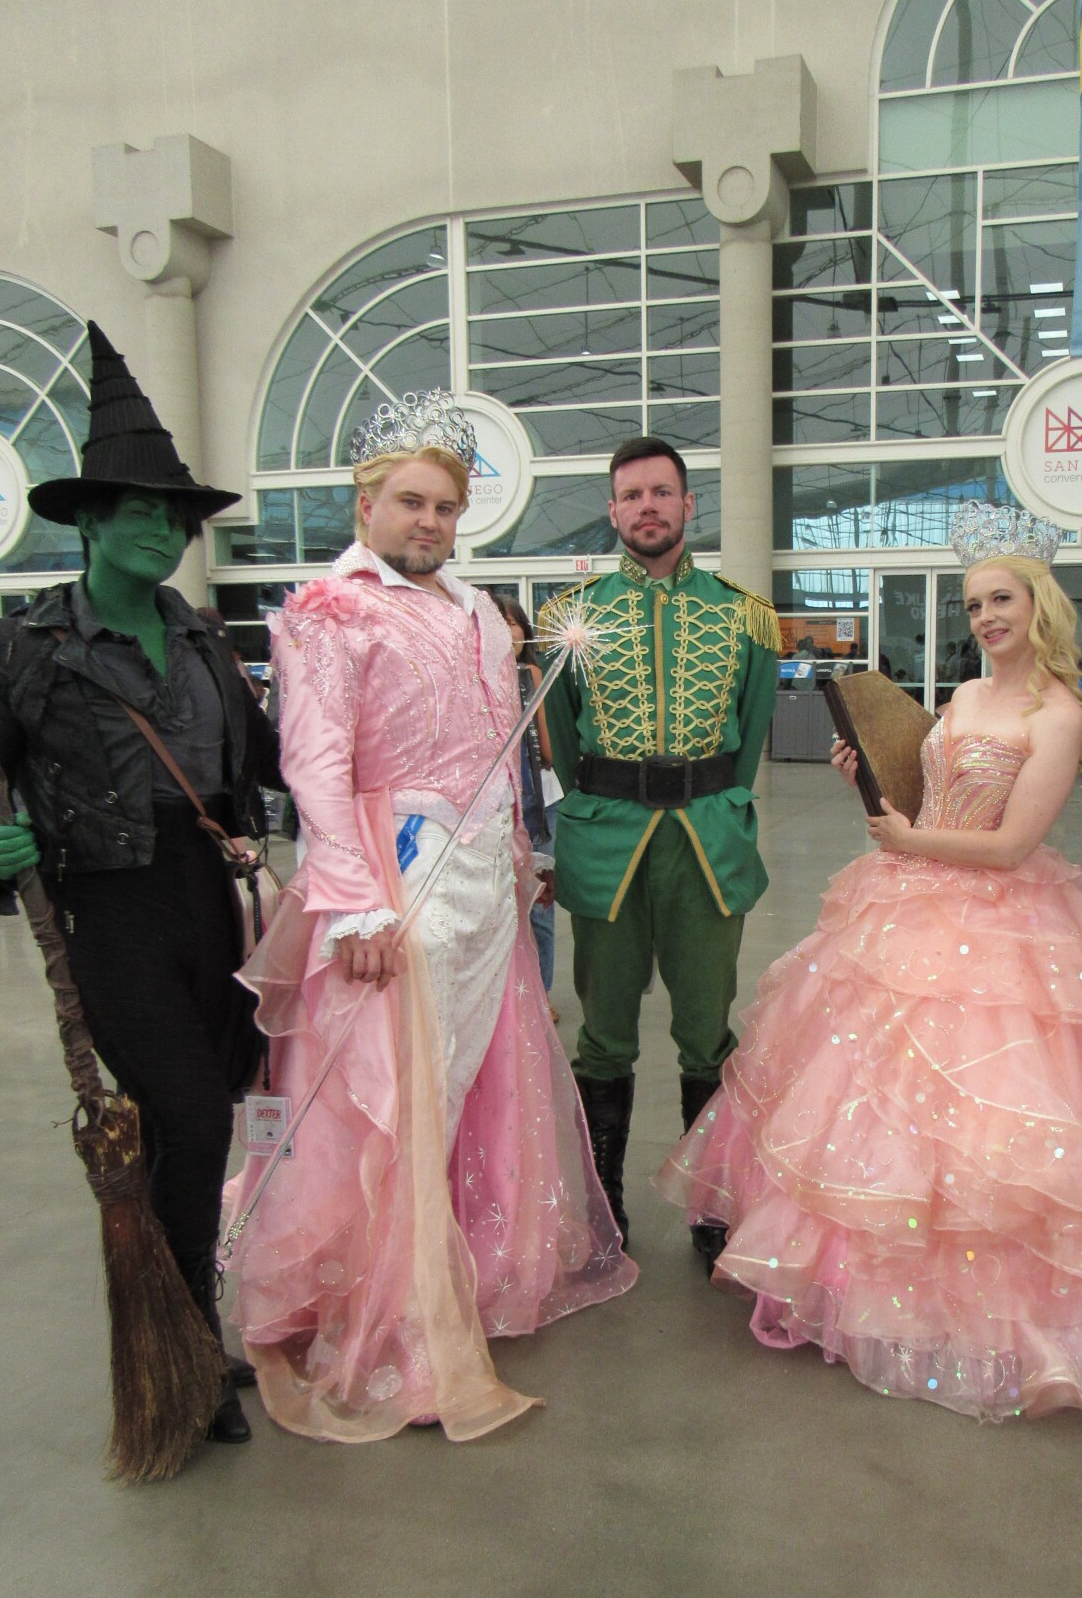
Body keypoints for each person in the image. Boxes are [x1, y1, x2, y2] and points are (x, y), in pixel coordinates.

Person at [656, 506, 1082, 1423]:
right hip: (907, 904)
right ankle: (862, 1284)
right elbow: (930, 787)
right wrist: (870, 775)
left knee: (992, 1110)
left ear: (1039, 603)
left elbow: (1015, 845)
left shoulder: (1057, 712)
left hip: (1002, 920)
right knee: (872, 1100)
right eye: (975, 603)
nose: (986, 616)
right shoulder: (968, 694)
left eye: (1002, 599)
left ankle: (984, 1303)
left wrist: (910, 839)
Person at [223, 391, 636, 1444]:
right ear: (366, 504)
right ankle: (382, 1297)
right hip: (392, 880)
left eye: (447, 507)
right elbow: (313, 766)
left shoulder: (474, 611)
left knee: (457, 1086)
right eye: (411, 503)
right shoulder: (328, 611)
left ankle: (454, 1273)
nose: (431, 524)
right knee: (386, 1097)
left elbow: (505, 755)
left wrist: (519, 859)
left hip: (480, 891)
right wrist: (354, 906)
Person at [0, 322, 280, 1447]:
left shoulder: (201, 639)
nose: (162, 530)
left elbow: (262, 764)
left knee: (202, 1121)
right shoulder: (25, 650)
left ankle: (183, 1319)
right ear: (91, 522)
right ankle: (188, 1342)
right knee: (192, 1119)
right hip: (107, 911)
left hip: (210, 900)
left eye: (177, 516)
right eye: (140, 512)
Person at [541, 436, 779, 1258]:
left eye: (662, 492)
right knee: (604, 1032)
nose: (647, 506)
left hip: (707, 840)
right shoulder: (567, 620)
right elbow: (563, 745)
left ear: (687, 505)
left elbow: (749, 741)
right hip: (608, 842)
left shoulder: (744, 613)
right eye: (631, 494)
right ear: (612, 512)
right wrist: (604, 805)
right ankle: (605, 1207)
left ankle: (710, 1206)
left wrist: (718, 799)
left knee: (707, 1031)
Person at [490, 591, 559, 1009]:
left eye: (512, 622)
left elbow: (550, 751)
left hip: (541, 804)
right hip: (490, 809)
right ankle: (505, 1000)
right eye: (496, 621)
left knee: (539, 906)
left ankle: (540, 996)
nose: (506, 630)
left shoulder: (536, 676)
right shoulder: (470, 676)